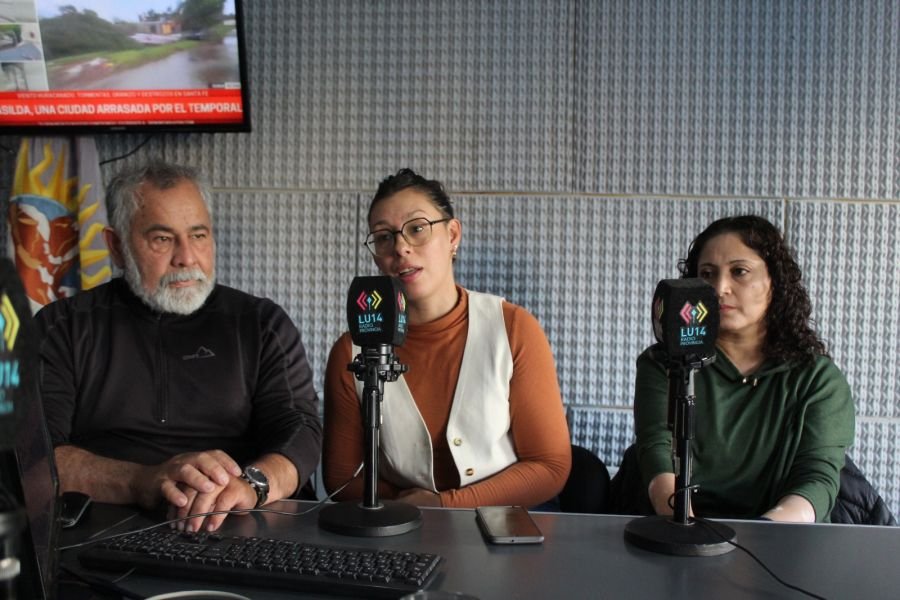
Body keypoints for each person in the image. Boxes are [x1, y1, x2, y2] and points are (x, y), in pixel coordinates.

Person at [35, 160, 322, 532]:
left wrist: (253, 484)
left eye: (198, 235)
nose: (186, 257)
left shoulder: (261, 323)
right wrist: (143, 480)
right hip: (100, 531)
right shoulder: (62, 327)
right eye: (162, 239)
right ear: (117, 246)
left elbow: (301, 430)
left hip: (236, 524)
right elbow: (34, 456)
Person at [323, 168, 571, 508]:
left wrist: (443, 506)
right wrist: (406, 511)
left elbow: (550, 465)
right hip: (403, 529)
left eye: (417, 229)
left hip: (508, 524)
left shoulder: (514, 328)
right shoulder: (351, 350)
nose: (401, 247)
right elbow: (342, 478)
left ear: (452, 235)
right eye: (384, 237)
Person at [633, 215, 855, 522]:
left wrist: (759, 542)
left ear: (773, 281)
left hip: (780, 540)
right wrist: (689, 532)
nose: (720, 288)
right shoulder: (664, 364)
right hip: (678, 530)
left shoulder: (817, 379)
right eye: (707, 274)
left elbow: (817, 478)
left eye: (739, 272)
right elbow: (657, 454)